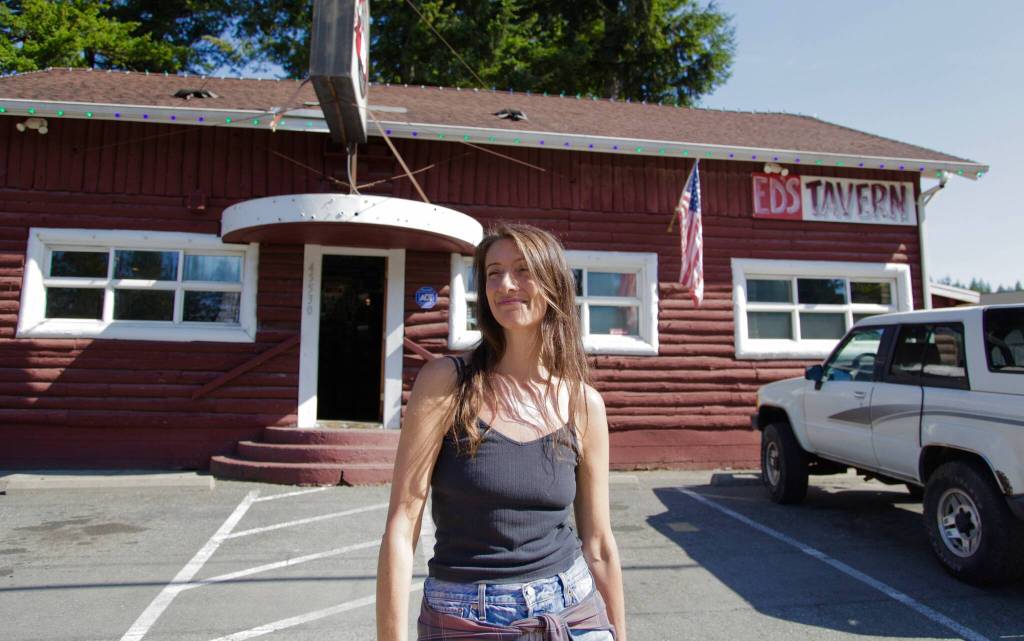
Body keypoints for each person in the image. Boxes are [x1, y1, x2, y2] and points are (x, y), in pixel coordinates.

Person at [376, 223, 626, 640]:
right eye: (493, 273)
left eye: (523, 269)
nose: (506, 284)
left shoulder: (584, 404)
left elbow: (598, 543)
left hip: (574, 613)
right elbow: (403, 525)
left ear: (554, 282)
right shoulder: (447, 383)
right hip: (465, 618)